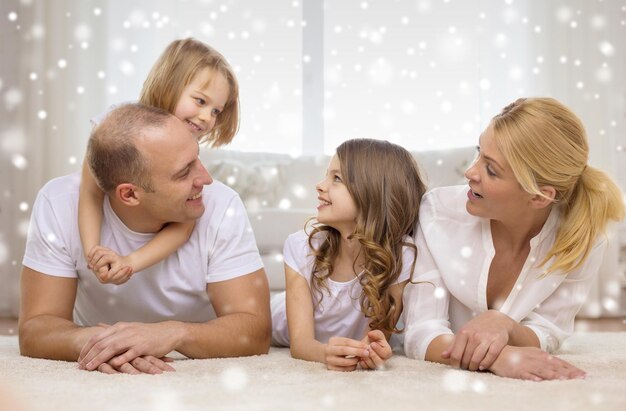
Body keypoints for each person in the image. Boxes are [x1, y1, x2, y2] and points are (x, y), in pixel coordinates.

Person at [19, 103, 271, 374]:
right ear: (129, 195)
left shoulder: (222, 205)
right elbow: (35, 328)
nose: (206, 179)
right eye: (184, 172)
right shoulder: (58, 203)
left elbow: (255, 331)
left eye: (197, 159)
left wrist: (172, 334)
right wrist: (98, 343)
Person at [403, 97, 625, 381]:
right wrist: (501, 356)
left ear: (539, 196)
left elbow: (548, 329)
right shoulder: (437, 214)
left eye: (491, 169)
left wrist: (505, 325)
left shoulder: (581, 238)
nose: (470, 172)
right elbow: (421, 331)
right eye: (478, 153)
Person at [79, 38, 239, 284]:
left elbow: (184, 224)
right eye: (200, 101)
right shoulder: (113, 126)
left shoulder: (188, 146)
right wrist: (93, 252)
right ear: (169, 84)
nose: (207, 117)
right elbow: (90, 193)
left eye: (216, 111)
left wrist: (130, 262)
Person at [271, 139, 427, 371]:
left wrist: (370, 351)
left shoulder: (402, 255)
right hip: (276, 320)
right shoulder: (301, 246)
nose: (320, 185)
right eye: (327, 175)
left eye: (337, 178)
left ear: (372, 193)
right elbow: (300, 344)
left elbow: (376, 335)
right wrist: (325, 353)